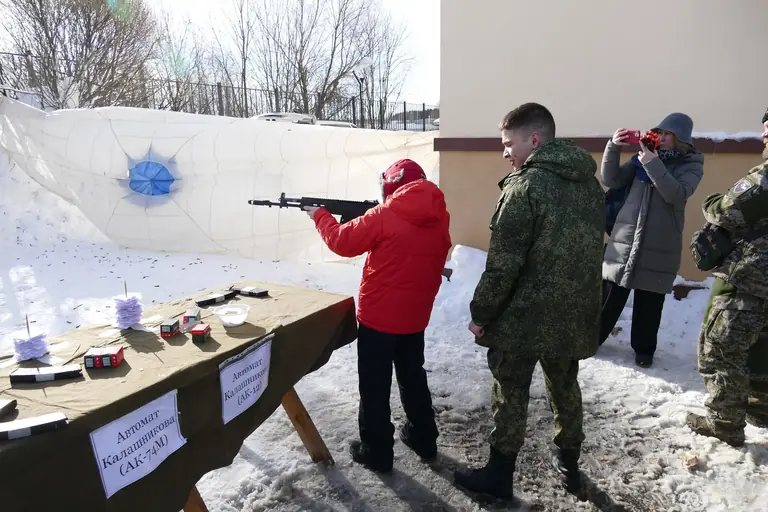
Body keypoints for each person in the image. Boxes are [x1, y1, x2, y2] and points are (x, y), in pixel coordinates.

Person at [453, 103, 604, 499]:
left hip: (524, 317)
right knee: (565, 386)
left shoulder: (524, 187)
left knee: (511, 390)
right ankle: (569, 465)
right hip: (573, 312)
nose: (505, 152)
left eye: (508, 144)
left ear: (533, 139)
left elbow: (503, 265)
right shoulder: (589, 184)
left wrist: (481, 313)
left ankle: (498, 477)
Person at [302, 158, 451, 472]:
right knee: (413, 377)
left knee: (374, 385)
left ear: (393, 184)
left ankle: (377, 449)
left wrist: (320, 216)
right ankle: (424, 439)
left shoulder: (384, 215)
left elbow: (341, 241)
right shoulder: (439, 215)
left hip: (379, 320)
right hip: (415, 317)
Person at [686, 107, 768, 447]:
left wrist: (711, 203)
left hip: (751, 276)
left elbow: (728, 209)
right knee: (762, 345)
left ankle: (724, 422)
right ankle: (760, 409)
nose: (765, 133)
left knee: (720, 348)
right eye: (764, 127)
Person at [599, 113, 705, 367]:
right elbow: (611, 179)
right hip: (625, 238)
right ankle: (591, 339)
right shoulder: (642, 158)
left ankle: (644, 351)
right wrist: (613, 146)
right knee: (609, 296)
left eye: (669, 134)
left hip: (660, 241)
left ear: (682, 140)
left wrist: (653, 164)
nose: (662, 137)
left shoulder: (691, 164)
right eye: (660, 132)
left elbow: (676, 194)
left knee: (650, 300)